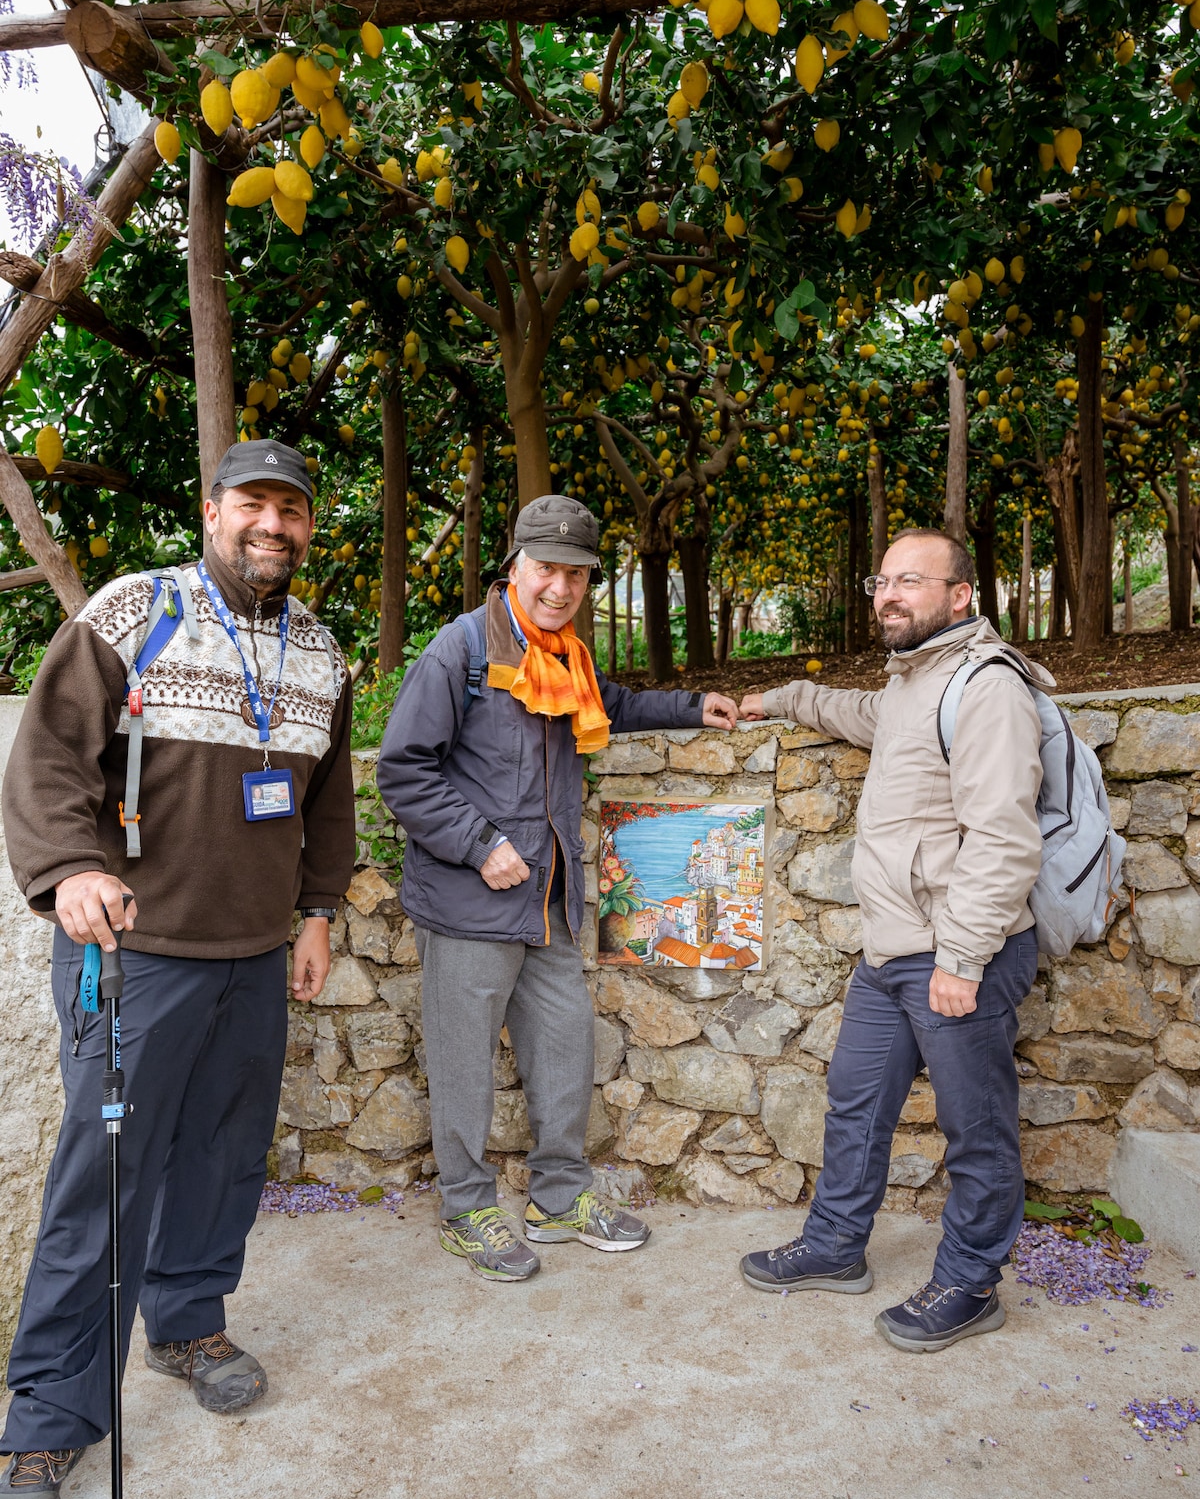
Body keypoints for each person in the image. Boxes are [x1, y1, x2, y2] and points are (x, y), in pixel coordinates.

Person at [0, 439, 355, 1499]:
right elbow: (48, 757)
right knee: (104, 1178)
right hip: (137, 952)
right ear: (213, 510)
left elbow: (328, 798)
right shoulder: (134, 610)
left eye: (292, 511)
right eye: (254, 503)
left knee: (223, 1155)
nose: (274, 526)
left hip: (255, 954)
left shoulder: (320, 649)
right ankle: (47, 1419)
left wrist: (316, 911)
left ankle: (188, 1325)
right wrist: (73, 869)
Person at [377, 495, 739, 1280]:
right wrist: (478, 845)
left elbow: (606, 705)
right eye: (547, 568)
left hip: (548, 901)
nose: (561, 587)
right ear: (515, 565)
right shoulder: (461, 650)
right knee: (465, 1064)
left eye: (576, 574)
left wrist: (687, 706)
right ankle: (468, 1209)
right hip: (474, 901)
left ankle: (558, 1196)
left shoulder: (566, 654)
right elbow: (401, 769)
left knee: (566, 1047)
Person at [738, 527, 1048, 1353]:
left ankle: (971, 1283)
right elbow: (867, 715)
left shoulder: (986, 688)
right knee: (856, 1100)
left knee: (975, 1127)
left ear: (961, 597)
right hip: (891, 952)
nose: (890, 595)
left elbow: (1006, 839)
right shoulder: (915, 679)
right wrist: (787, 696)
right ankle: (836, 1248)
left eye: (913, 581)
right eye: (882, 580)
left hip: (954, 953)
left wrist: (963, 958)